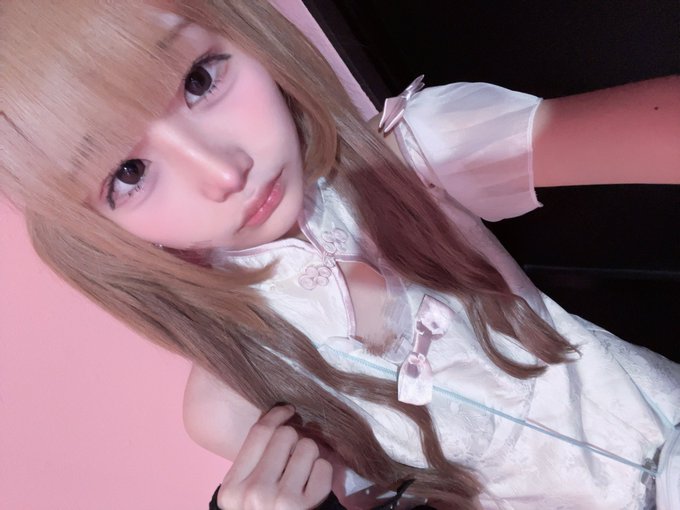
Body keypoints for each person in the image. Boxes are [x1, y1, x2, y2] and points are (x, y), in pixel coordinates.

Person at [1, 1, 679, 508]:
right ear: (89, 228)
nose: (224, 172)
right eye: (127, 173)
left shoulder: (414, 157)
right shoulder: (232, 396)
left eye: (200, 80)